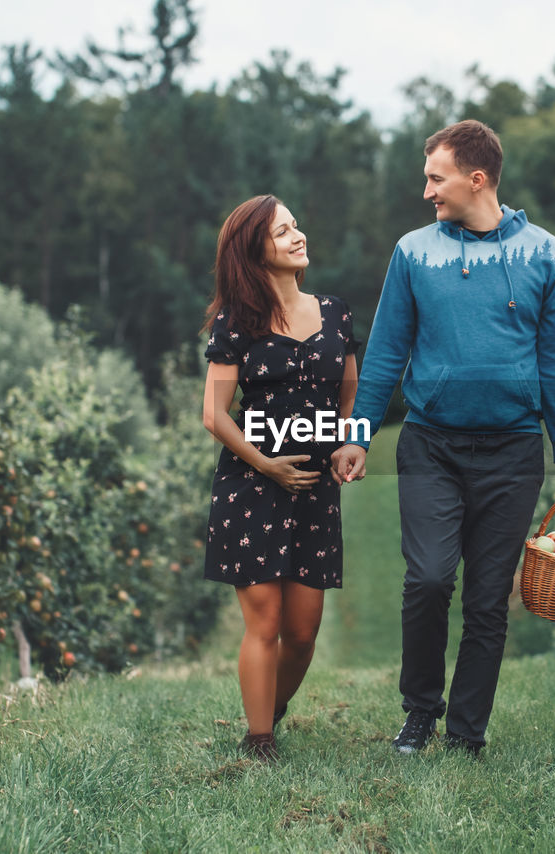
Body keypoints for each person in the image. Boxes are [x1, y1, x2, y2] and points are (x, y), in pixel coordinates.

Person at [330, 120, 555, 757]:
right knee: (426, 579)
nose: (427, 192)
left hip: (512, 452)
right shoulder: (413, 252)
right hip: (430, 445)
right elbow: (387, 351)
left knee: (486, 601)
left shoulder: (548, 256)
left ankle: (467, 732)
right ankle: (419, 713)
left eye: (436, 177)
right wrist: (360, 434)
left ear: (477, 179)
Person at [202, 195, 360, 762]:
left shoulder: (336, 312)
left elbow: (351, 397)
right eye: (282, 232)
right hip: (252, 484)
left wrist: (348, 443)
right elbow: (214, 414)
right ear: (255, 252)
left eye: (296, 225)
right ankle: (259, 737)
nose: (298, 236)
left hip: (315, 486)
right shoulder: (236, 321)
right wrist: (264, 464)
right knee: (264, 618)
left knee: (303, 630)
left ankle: (273, 707)